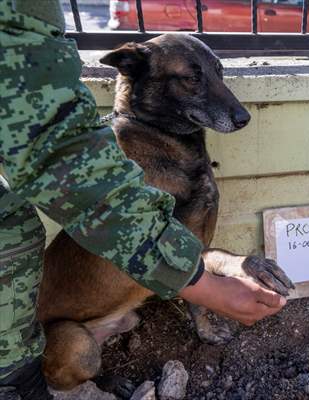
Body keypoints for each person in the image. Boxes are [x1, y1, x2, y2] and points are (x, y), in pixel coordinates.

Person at [0, 1, 287, 398]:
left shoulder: (174, 157)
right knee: (81, 357)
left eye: (216, 76)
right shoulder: (127, 169)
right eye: (193, 80)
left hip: (120, 306)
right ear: (135, 75)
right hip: (67, 329)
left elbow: (189, 247)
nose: (231, 105)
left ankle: (194, 320)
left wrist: (228, 272)